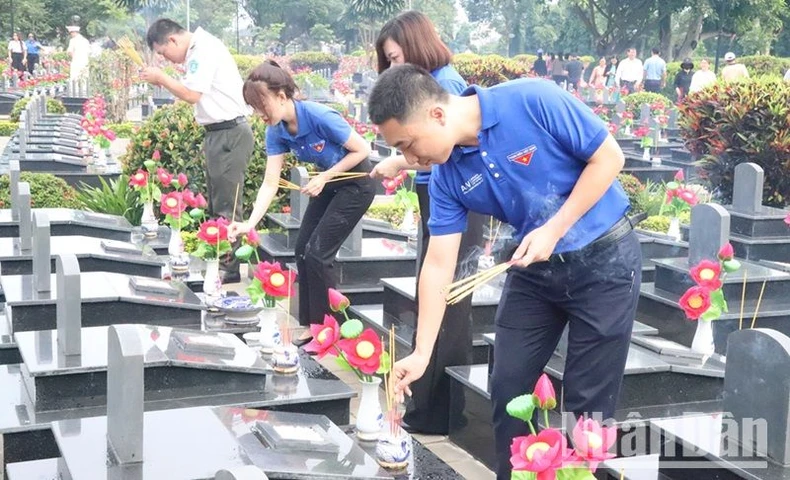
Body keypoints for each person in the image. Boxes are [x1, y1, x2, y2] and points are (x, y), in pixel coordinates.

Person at [369, 64, 641, 480]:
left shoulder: (533, 100)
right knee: (507, 389)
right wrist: (422, 352)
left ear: (436, 115)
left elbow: (609, 157)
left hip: (604, 263)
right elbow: (439, 264)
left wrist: (554, 227)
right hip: (533, 272)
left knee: (588, 410)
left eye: (407, 144)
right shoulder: (446, 177)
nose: (409, 159)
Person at [370, 10, 484, 435]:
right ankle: (433, 405)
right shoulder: (424, 90)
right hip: (437, 192)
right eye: (389, 62)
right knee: (434, 290)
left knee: (448, 296)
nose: (394, 68)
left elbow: (451, 155)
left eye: (397, 58)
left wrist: (398, 160)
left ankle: (439, 411)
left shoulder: (445, 87)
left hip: (460, 196)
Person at [228, 61, 375, 342]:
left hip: (357, 183)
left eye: (261, 105)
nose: (259, 114)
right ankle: (311, 327)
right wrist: (249, 223)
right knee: (301, 249)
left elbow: (362, 149)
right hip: (329, 183)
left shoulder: (319, 116)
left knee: (319, 253)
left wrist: (325, 177)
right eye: (254, 108)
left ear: (281, 96)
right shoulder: (276, 131)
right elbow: (271, 182)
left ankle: (329, 331)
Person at [142, 19, 254, 283]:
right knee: (218, 201)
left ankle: (228, 267)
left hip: (230, 133)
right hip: (218, 133)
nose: (165, 59)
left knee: (227, 203)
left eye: (162, 52)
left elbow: (192, 95)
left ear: (172, 40)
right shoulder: (198, 49)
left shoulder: (203, 49)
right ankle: (220, 261)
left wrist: (161, 78)